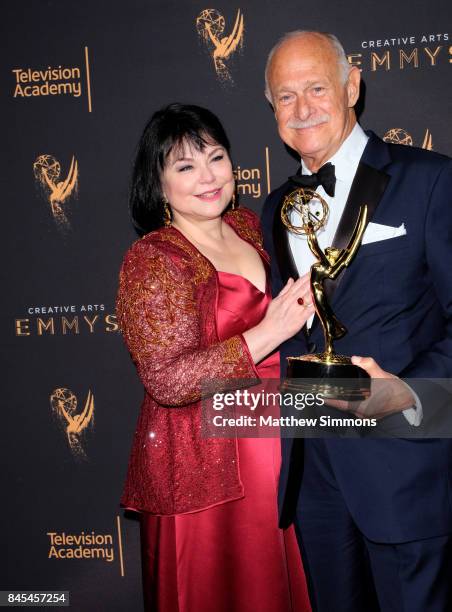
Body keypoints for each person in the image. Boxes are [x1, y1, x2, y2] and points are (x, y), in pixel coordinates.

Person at [262, 31, 452, 612]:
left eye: (317, 88)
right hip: (314, 475)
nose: (303, 108)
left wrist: (407, 394)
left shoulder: (431, 181)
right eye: (285, 96)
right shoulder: (273, 208)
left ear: (352, 85)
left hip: (405, 465)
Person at [116, 103, 312, 612]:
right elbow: (167, 379)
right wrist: (266, 333)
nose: (207, 176)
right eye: (185, 166)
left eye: (216, 157)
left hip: (282, 446)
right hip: (209, 469)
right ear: (158, 185)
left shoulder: (250, 226)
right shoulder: (155, 258)